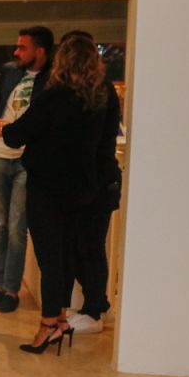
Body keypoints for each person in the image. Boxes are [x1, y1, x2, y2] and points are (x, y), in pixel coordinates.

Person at [0, 35, 117, 354]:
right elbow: (105, 144)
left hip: (48, 188)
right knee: (69, 254)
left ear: (62, 60)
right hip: (84, 189)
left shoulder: (54, 95)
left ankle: (49, 325)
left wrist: (1, 128)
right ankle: (60, 320)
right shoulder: (103, 95)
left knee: (50, 259)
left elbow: (20, 135)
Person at [0, 26, 53, 313]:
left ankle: (11, 289)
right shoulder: (10, 72)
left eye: (23, 47)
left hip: (26, 160)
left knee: (17, 229)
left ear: (40, 51)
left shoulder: (51, 81)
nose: (16, 52)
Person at [58, 30, 121, 334]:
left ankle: (95, 310)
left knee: (89, 248)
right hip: (95, 182)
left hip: (94, 184)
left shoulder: (96, 93)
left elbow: (88, 145)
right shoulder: (98, 91)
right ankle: (94, 305)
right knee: (83, 247)